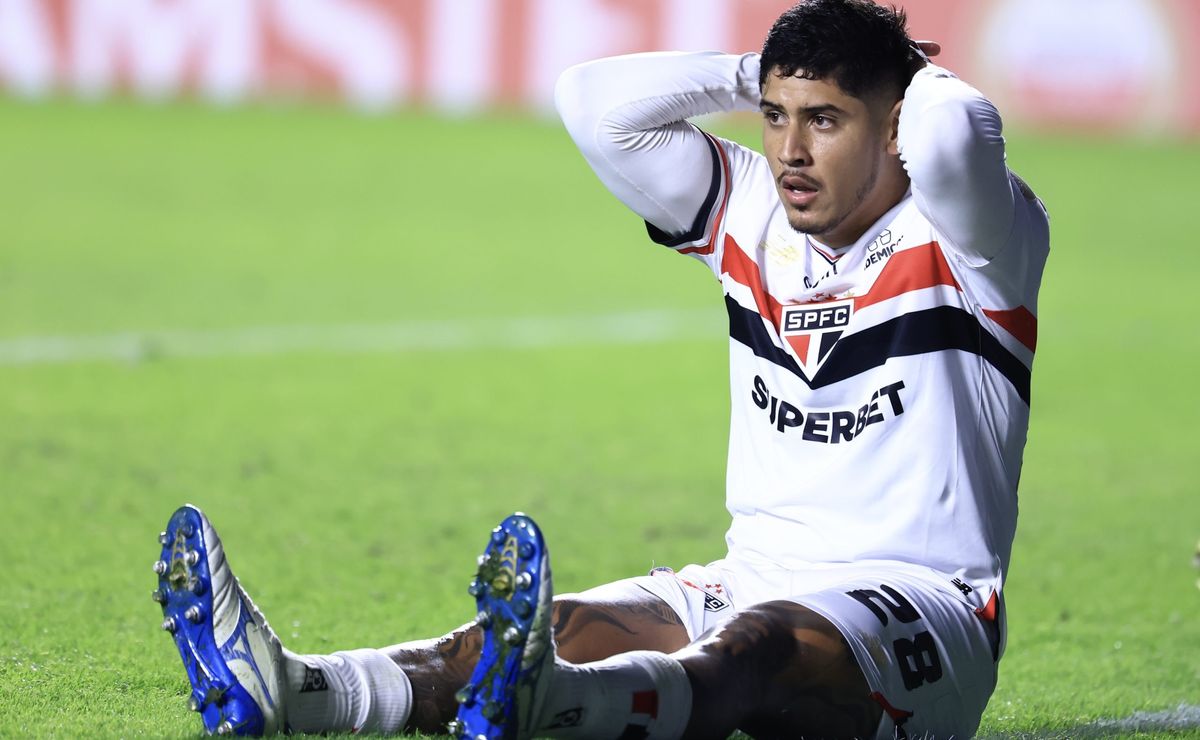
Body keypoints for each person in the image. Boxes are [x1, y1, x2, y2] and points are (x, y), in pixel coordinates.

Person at [151, 1, 1049, 737]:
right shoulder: (751, 214)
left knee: (755, 648)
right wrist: (758, 71)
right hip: (755, 569)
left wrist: (909, 74)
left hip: (921, 603)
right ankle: (298, 690)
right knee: (547, 631)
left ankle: (558, 708)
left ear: (893, 126)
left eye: (824, 119)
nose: (789, 152)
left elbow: (954, 136)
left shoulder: (975, 241)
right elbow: (591, 103)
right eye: (775, 117)